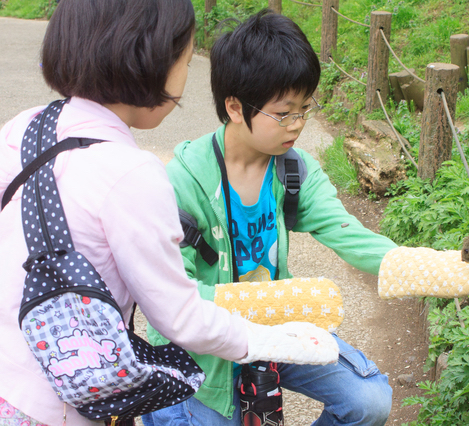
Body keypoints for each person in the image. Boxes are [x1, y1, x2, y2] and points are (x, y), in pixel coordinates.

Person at [0, 2, 336, 425]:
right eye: (185, 55)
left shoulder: (25, 128)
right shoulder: (133, 174)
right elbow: (179, 315)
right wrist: (269, 339)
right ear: (149, 60)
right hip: (61, 403)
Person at [143, 10, 399, 426]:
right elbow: (169, 303)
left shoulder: (292, 170)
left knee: (369, 401)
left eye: (304, 109)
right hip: (203, 350)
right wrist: (243, 320)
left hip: (275, 328)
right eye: (284, 113)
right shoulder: (181, 183)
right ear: (235, 107)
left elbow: (347, 231)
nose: (297, 125)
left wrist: (416, 264)